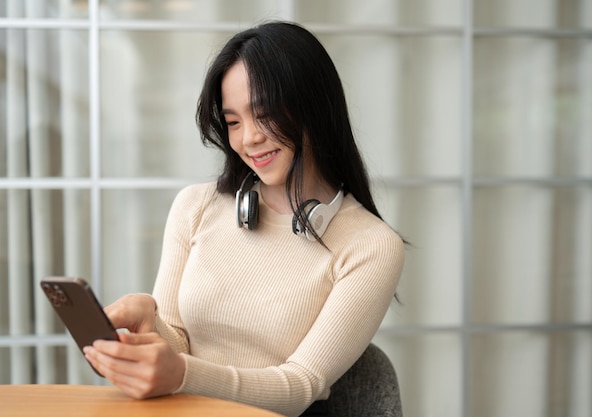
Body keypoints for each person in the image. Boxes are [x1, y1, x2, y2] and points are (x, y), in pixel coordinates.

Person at [83, 21, 405, 417]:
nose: (248, 139)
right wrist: (152, 326)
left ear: (314, 108)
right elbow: (180, 348)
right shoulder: (195, 207)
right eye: (233, 122)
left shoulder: (370, 245)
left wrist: (181, 374)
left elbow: (302, 384)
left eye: (264, 115)